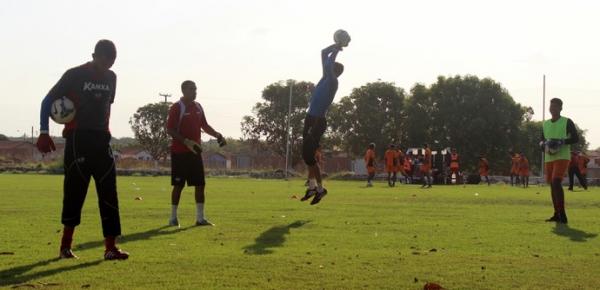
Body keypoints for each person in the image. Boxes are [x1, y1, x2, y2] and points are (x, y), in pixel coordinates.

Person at [35, 40, 128, 260]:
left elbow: (104, 107)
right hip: (78, 139)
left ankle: (110, 248)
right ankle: (65, 246)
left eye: (112, 61)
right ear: (95, 55)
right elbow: (47, 101)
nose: (108, 65)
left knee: (109, 193)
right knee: (75, 193)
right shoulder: (74, 74)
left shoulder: (112, 78)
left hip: (102, 140)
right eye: (104, 60)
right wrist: (44, 131)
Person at [166, 80, 225, 227]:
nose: (195, 91)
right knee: (179, 185)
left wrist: (217, 135)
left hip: (195, 152)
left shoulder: (198, 107)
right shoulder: (176, 107)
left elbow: (204, 125)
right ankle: (173, 218)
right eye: (192, 89)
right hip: (180, 153)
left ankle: (200, 218)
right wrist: (185, 141)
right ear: (184, 90)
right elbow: (170, 130)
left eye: (196, 89)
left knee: (200, 184)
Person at [300, 42, 346, 205]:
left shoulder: (333, 82)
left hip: (318, 121)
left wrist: (335, 52)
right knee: (307, 156)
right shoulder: (325, 77)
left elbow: (328, 60)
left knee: (309, 157)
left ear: (335, 71)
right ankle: (313, 187)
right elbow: (322, 53)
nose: (328, 66)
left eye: (331, 66)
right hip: (310, 119)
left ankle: (320, 189)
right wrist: (335, 45)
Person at [540, 98, 579, 224]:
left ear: (561, 108)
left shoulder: (567, 122)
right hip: (549, 157)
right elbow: (541, 139)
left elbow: (575, 138)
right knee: (552, 185)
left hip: (562, 156)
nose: (553, 108)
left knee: (556, 182)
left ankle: (563, 215)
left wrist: (561, 141)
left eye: (555, 106)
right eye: (551, 106)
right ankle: (556, 214)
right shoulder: (545, 124)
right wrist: (543, 144)